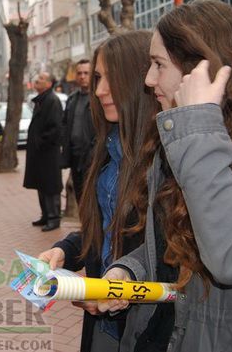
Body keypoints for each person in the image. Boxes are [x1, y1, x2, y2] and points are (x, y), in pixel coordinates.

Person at [100, 0, 232, 352]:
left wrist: (198, 123)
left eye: (158, 65)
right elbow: (173, 246)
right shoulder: (179, 138)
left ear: (199, 71)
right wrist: (128, 272)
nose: (148, 79)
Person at [38, 31, 157, 352]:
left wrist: (121, 284)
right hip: (103, 324)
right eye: (98, 79)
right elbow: (103, 231)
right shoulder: (104, 149)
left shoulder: (167, 158)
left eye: (111, 79)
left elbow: (170, 253)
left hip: (147, 327)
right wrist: (64, 251)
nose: (100, 91)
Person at [24, 72, 64, 231]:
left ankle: (54, 218)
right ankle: (46, 215)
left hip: (48, 153)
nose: (37, 80)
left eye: (41, 79)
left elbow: (55, 128)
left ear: (49, 84)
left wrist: (40, 142)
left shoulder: (52, 101)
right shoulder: (41, 100)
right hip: (40, 154)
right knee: (41, 184)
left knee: (51, 186)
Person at [60, 59, 96, 208]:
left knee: (93, 199)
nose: (82, 76)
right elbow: (65, 125)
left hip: (92, 158)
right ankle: (85, 230)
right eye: (79, 73)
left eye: (86, 73)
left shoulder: (98, 98)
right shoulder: (72, 99)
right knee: (80, 198)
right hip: (75, 157)